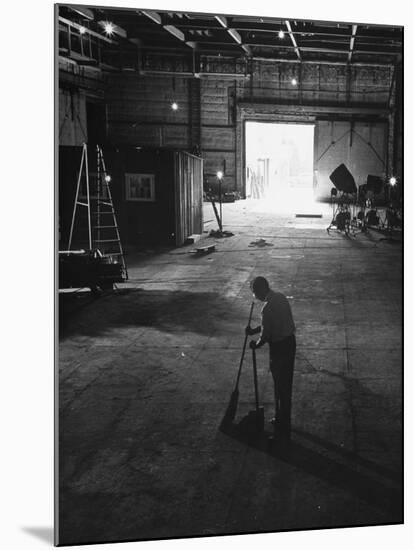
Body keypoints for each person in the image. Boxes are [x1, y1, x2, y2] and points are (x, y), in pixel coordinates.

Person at [246, 276, 296, 443]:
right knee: (286, 385)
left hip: (279, 349)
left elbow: (266, 335)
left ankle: (282, 426)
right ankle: (283, 418)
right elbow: (271, 324)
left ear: (261, 290)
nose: (255, 296)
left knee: (279, 386)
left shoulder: (266, 309)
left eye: (254, 293)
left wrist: (256, 344)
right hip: (290, 344)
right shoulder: (281, 297)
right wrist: (254, 331)